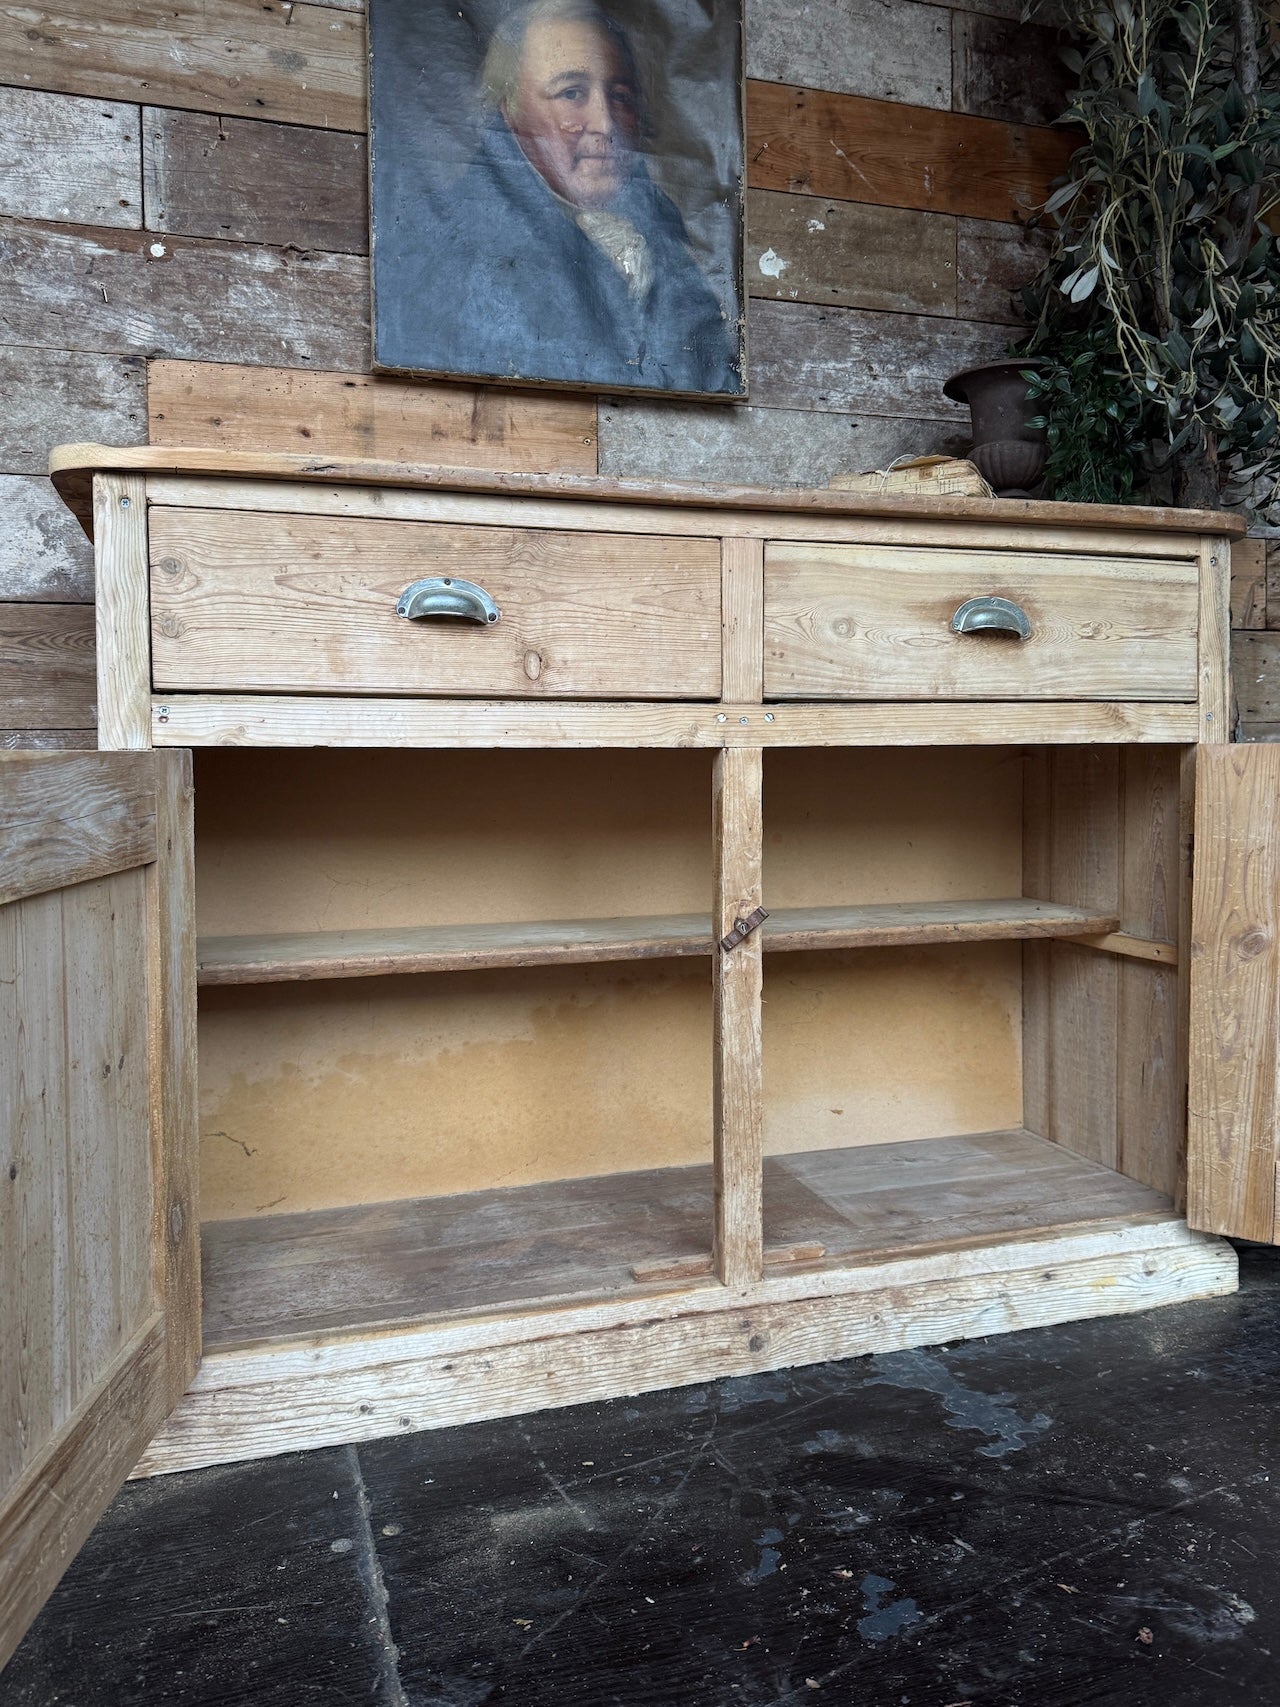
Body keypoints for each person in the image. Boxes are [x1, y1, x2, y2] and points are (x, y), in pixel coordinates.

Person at [373, 0, 742, 396]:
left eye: (619, 96)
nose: (605, 123)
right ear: (510, 111)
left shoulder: (662, 240)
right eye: (571, 93)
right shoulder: (455, 251)